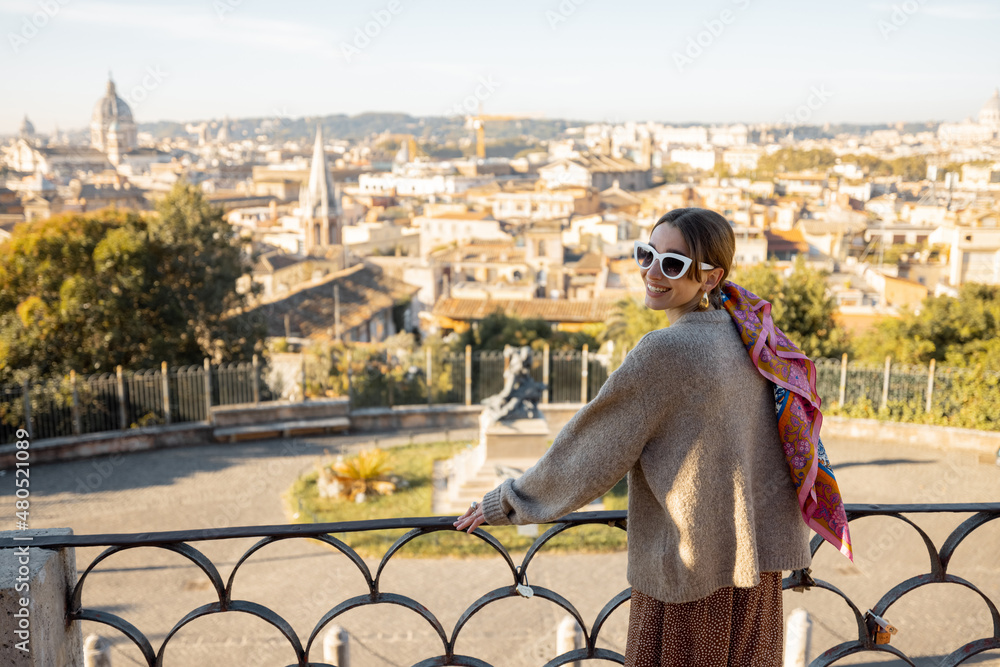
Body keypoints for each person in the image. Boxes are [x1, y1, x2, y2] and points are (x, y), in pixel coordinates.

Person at [454, 207, 852, 666]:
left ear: (710, 276)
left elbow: (591, 451)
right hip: (756, 583)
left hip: (690, 583)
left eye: (673, 264)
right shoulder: (753, 337)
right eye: (647, 254)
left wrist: (506, 502)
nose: (652, 272)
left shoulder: (665, 350)